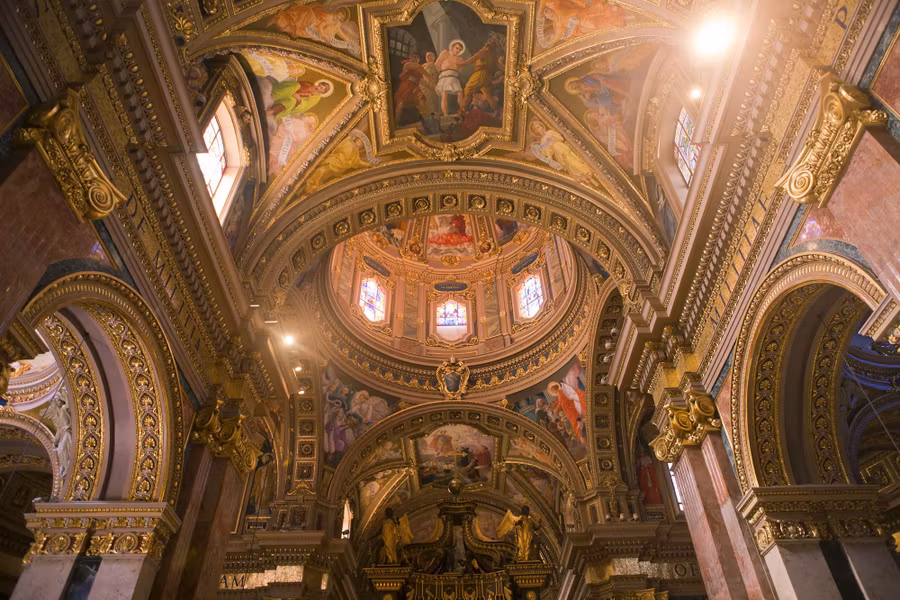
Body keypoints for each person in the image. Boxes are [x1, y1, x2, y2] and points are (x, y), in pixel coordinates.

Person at [267, 79, 333, 123]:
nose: (318, 87)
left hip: (295, 102)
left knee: (291, 101)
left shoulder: (316, 98)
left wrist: (299, 99)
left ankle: (271, 112)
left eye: (321, 88)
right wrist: (294, 92)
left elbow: (305, 105)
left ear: (323, 92)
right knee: (295, 86)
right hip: (289, 92)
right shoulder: (310, 84)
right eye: (319, 85)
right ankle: (276, 96)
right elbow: (297, 84)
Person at [461, 38, 500, 112]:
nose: (485, 47)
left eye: (486, 46)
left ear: (488, 46)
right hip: (488, 77)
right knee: (489, 95)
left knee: (468, 89)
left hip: (480, 74)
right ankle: (496, 111)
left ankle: (463, 109)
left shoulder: (484, 51)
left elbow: (473, 59)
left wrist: (461, 64)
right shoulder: (494, 57)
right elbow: (500, 66)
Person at [393, 53, 432, 123]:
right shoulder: (407, 64)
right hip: (407, 85)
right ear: (410, 58)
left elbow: (422, 81)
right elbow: (417, 66)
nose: (415, 59)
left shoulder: (418, 69)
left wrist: (431, 87)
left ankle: (423, 118)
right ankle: (396, 121)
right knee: (401, 102)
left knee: (422, 100)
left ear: (418, 59)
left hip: (415, 87)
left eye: (417, 58)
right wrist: (429, 76)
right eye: (414, 57)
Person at [434, 40, 467, 117]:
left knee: (460, 92)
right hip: (445, 75)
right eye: (457, 48)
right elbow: (437, 64)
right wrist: (442, 71)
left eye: (460, 50)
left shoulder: (460, 59)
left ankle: (462, 110)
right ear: (452, 47)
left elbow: (460, 70)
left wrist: (456, 67)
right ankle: (445, 114)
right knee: (444, 94)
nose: (458, 50)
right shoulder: (446, 53)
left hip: (454, 77)